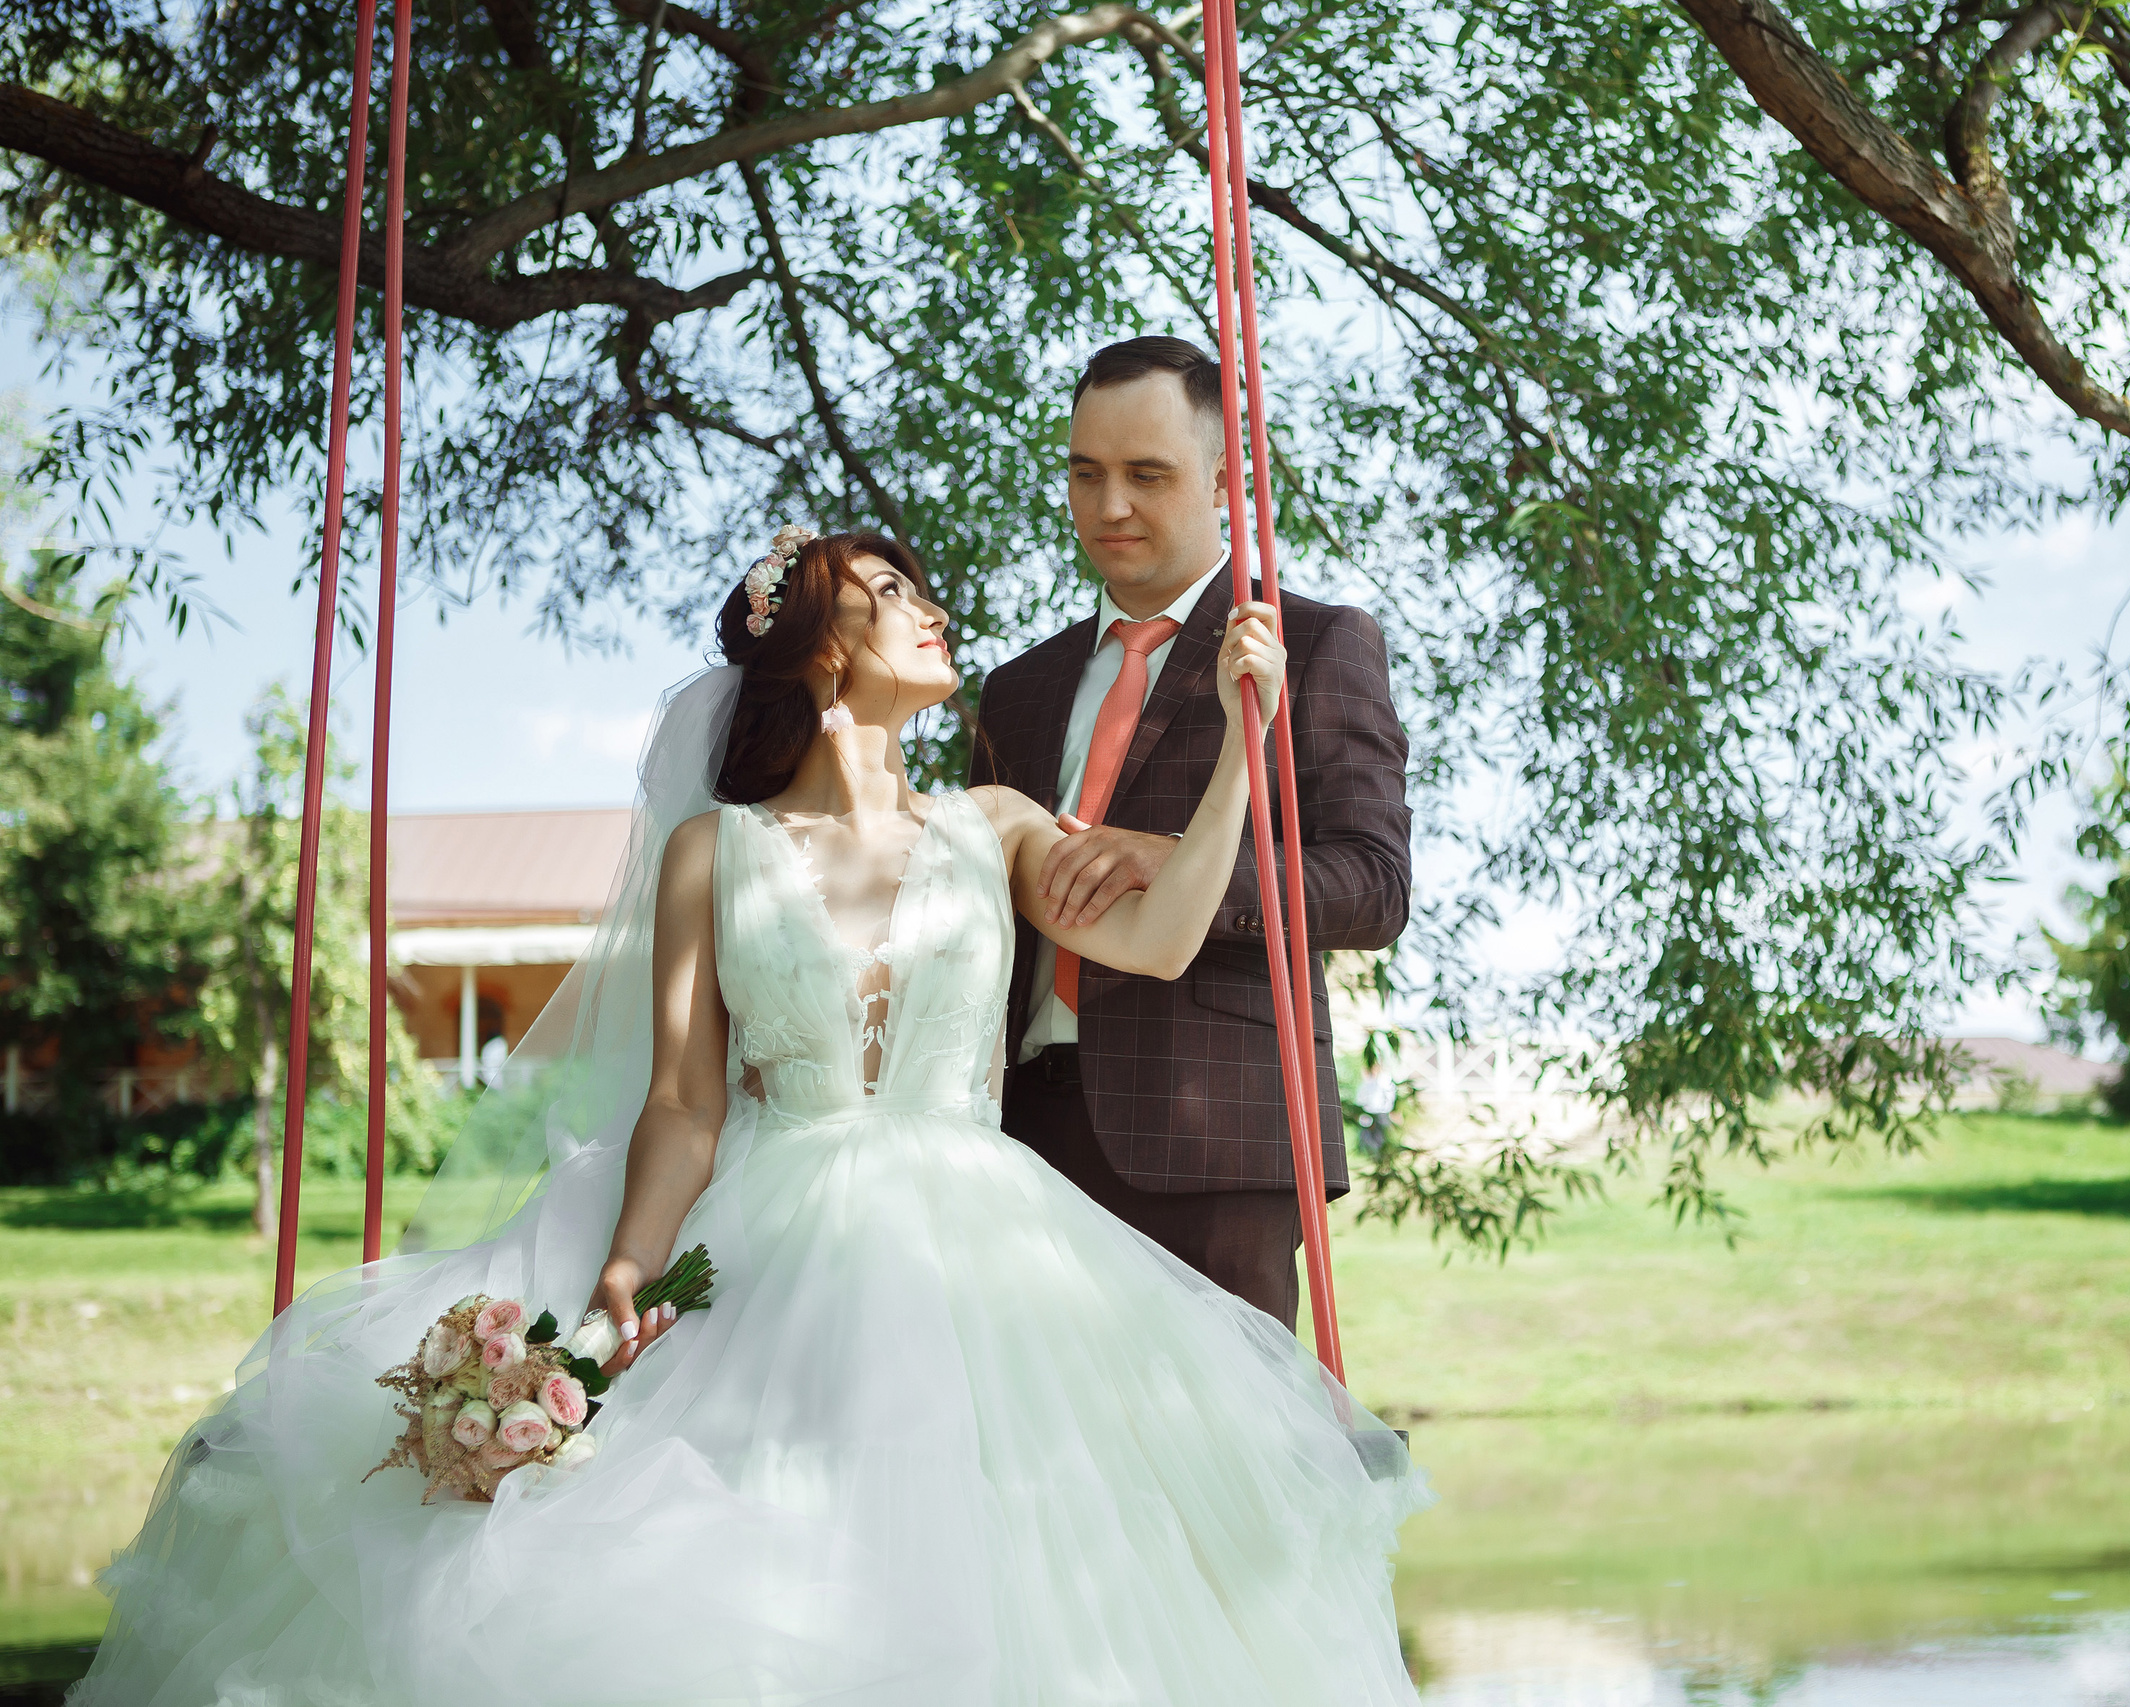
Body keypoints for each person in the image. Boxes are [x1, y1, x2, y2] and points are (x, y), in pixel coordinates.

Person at [70, 529, 1428, 1706]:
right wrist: (613, 1289)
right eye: (892, 591)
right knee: (751, 1568)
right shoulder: (709, 851)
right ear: (822, 648)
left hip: (986, 1239)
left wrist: (1246, 753)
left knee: (1038, 1577)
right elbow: (681, 1097)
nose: (931, 607)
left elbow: (1167, 931)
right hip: (771, 1233)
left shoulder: (996, 821)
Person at [972, 336, 1412, 1330]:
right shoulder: (1018, 690)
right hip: (1011, 1145)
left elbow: (1374, 886)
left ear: (1227, 474)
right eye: (1085, 473)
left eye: (1146, 475)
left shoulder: (1312, 645)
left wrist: (1181, 866)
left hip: (1213, 1146)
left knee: (1222, 1477)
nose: (1109, 505)